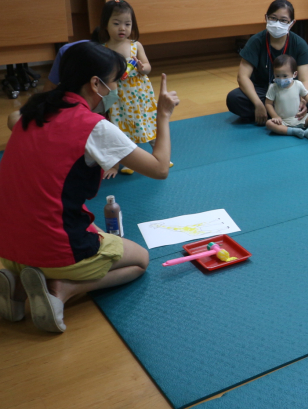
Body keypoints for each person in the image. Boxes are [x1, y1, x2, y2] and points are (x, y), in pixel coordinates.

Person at [0, 42, 179, 333]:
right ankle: (62, 289)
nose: (116, 91)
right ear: (96, 84)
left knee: (84, 222)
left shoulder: (30, 113)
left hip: (8, 245)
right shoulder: (94, 126)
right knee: (139, 261)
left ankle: (17, 285)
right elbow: (160, 168)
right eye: (114, 83)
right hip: (56, 248)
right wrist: (163, 115)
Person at [226, 0, 308, 124]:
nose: (277, 24)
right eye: (273, 18)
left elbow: (305, 80)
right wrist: (258, 104)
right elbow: (242, 77)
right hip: (263, 90)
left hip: (291, 90)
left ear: (291, 23)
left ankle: (270, 115)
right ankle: (279, 114)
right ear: (266, 18)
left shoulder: (299, 44)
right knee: (234, 99)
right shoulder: (256, 41)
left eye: (283, 20)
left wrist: (303, 99)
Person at [91, 0, 160, 177]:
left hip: (139, 95)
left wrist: (142, 68)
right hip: (118, 98)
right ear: (105, 25)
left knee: (147, 123)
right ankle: (126, 161)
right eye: (116, 23)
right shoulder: (103, 49)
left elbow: (148, 67)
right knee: (121, 128)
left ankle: (159, 155)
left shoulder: (135, 45)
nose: (122, 28)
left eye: (127, 24)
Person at [264, 55, 308, 140]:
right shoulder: (273, 87)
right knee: (269, 123)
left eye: (284, 76)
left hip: (299, 118)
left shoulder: (298, 84)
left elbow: (305, 95)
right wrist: (275, 116)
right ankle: (292, 131)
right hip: (283, 121)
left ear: (294, 74)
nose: (281, 79)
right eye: (277, 76)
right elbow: (268, 104)